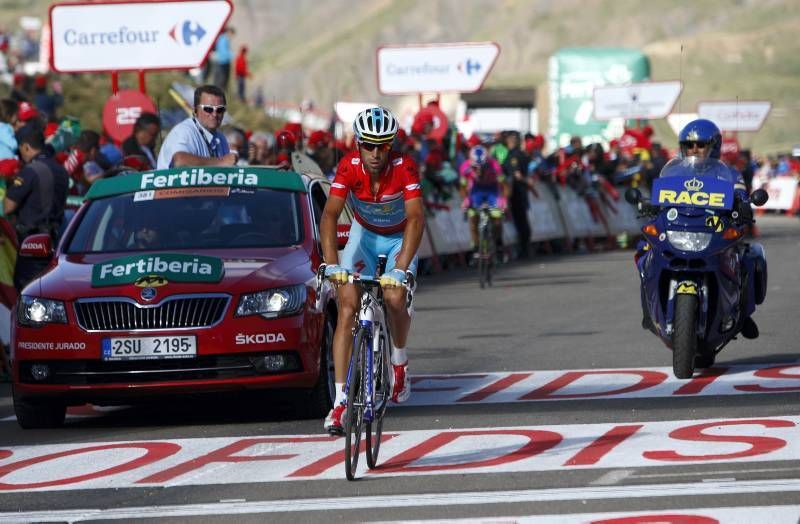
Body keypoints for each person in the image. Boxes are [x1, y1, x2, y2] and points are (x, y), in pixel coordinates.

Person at [319, 107, 424, 434]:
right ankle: (339, 404)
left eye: (383, 146)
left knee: (393, 297)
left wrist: (402, 268)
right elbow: (329, 217)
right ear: (358, 143)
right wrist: (332, 264)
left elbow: (417, 219)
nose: (376, 154)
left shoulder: (404, 167)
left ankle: (399, 361)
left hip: (398, 238)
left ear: (391, 145)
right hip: (364, 236)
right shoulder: (348, 167)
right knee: (347, 305)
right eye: (369, 145)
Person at [3, 124, 68, 290]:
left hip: (32, 242)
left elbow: (8, 206)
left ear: (26, 147)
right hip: (56, 239)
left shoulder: (31, 170)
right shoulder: (61, 170)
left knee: (27, 287)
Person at [156, 85, 238, 169]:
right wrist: (221, 161)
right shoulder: (184, 131)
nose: (214, 114)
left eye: (220, 109)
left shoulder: (220, 138)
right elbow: (180, 161)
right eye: (208, 109)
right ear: (195, 111)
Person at [459, 144, 507, 258]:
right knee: (472, 216)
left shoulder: (495, 166)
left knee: (497, 218)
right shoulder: (465, 167)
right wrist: (465, 199)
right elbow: (462, 187)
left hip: (492, 190)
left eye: (482, 167)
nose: (479, 171)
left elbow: (504, 185)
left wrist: (504, 199)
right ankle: (476, 246)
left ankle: (498, 243)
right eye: (475, 168)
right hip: (476, 191)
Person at [502, 131, 533, 258]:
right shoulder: (520, 154)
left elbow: (517, 175)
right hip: (520, 191)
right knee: (521, 220)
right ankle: (524, 248)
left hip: (516, 192)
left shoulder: (514, 155)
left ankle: (523, 249)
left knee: (520, 220)